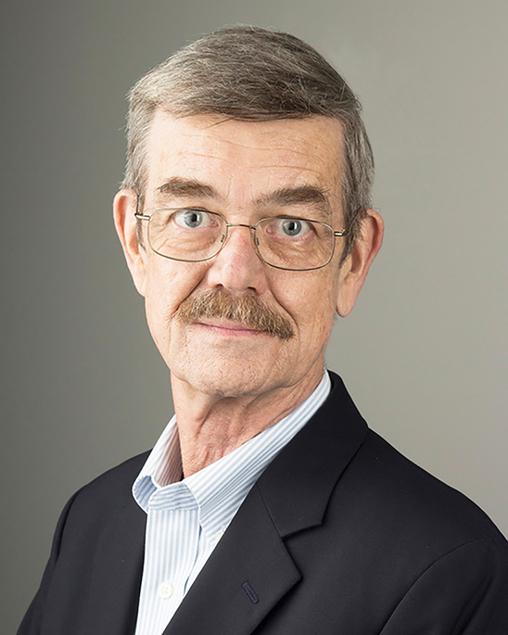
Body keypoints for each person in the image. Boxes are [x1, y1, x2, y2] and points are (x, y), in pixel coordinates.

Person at [18, 25, 508, 635]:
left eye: (291, 226)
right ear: (135, 241)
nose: (234, 273)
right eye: (192, 216)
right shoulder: (91, 522)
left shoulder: (451, 572)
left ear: (353, 261)